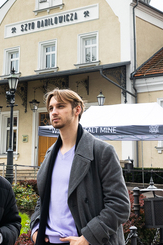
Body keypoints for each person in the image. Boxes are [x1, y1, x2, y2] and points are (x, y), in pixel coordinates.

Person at [31, 89, 130, 245]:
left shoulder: (101, 151)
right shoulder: (50, 154)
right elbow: (43, 199)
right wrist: (36, 228)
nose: (54, 112)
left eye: (60, 106)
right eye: (51, 108)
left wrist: (88, 237)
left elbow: (120, 205)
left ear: (77, 109)